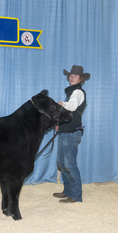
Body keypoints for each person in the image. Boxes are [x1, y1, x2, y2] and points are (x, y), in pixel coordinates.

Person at [53, 65, 90, 203]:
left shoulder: (78, 92)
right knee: (62, 163)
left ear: (80, 79)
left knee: (69, 164)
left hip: (72, 132)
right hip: (66, 130)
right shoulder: (71, 92)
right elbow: (68, 113)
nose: (72, 77)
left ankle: (75, 195)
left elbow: (72, 106)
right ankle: (68, 191)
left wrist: (61, 103)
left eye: (75, 76)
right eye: (71, 75)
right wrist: (59, 124)